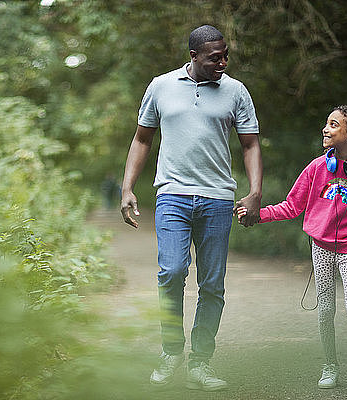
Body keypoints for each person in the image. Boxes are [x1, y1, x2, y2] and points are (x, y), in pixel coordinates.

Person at [120, 24, 263, 391]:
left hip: (218, 198)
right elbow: (141, 138)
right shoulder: (161, 86)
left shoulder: (235, 91)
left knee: (212, 283)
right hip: (172, 195)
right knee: (170, 272)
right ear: (194, 56)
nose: (223, 62)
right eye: (215, 57)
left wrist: (255, 191)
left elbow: (250, 145)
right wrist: (127, 188)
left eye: (226, 55)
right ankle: (171, 351)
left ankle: (201, 361)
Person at [236, 105, 347, 397]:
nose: (326, 129)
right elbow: (291, 206)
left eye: (333, 125)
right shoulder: (316, 167)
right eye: (326, 124)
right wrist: (259, 215)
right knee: (326, 310)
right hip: (321, 249)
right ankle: (330, 366)